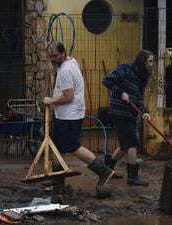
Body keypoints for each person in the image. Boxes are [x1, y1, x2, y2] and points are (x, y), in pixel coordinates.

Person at [43, 41, 115, 195]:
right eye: (50, 56)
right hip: (69, 114)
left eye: (55, 56)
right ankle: (58, 181)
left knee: (73, 146)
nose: (52, 59)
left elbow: (68, 96)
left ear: (63, 53)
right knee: (58, 147)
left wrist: (51, 101)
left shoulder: (65, 71)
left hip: (69, 115)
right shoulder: (71, 62)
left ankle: (103, 170)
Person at [102, 49, 154, 186]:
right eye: (150, 61)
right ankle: (132, 177)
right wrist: (121, 93)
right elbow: (107, 80)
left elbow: (139, 98)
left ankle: (107, 169)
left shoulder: (142, 77)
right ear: (143, 61)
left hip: (132, 114)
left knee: (125, 145)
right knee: (132, 143)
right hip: (120, 112)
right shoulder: (124, 69)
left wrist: (144, 111)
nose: (152, 64)